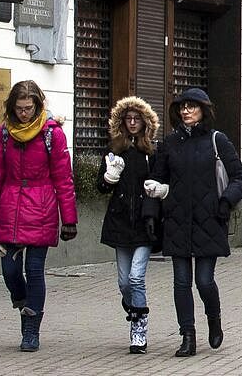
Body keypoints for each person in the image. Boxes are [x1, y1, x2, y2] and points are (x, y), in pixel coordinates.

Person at [145, 88, 242, 357]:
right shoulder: (169, 143)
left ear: (203, 109)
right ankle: (187, 335)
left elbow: (239, 176)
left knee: (204, 280)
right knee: (181, 281)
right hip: (177, 220)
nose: (185, 111)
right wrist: (151, 214)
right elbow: (156, 181)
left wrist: (226, 201)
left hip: (209, 220)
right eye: (182, 107)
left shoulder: (217, 140)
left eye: (191, 106)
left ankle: (214, 319)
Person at [0, 80, 77, 352]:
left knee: (34, 271)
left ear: (37, 106)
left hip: (41, 207)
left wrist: (69, 219)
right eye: (20, 108)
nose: (24, 113)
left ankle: (31, 330)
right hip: (10, 207)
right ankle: (24, 304)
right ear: (12, 107)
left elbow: (63, 178)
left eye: (29, 108)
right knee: (10, 271)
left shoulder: (52, 134)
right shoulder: (5, 134)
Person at [99, 96, 160, 354]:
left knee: (136, 278)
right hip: (120, 222)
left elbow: (160, 183)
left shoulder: (152, 153)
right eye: (128, 119)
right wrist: (109, 177)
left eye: (137, 119)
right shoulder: (115, 150)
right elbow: (100, 188)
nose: (133, 123)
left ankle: (139, 329)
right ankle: (132, 305)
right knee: (124, 282)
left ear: (145, 123)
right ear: (122, 123)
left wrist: (158, 194)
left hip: (144, 224)